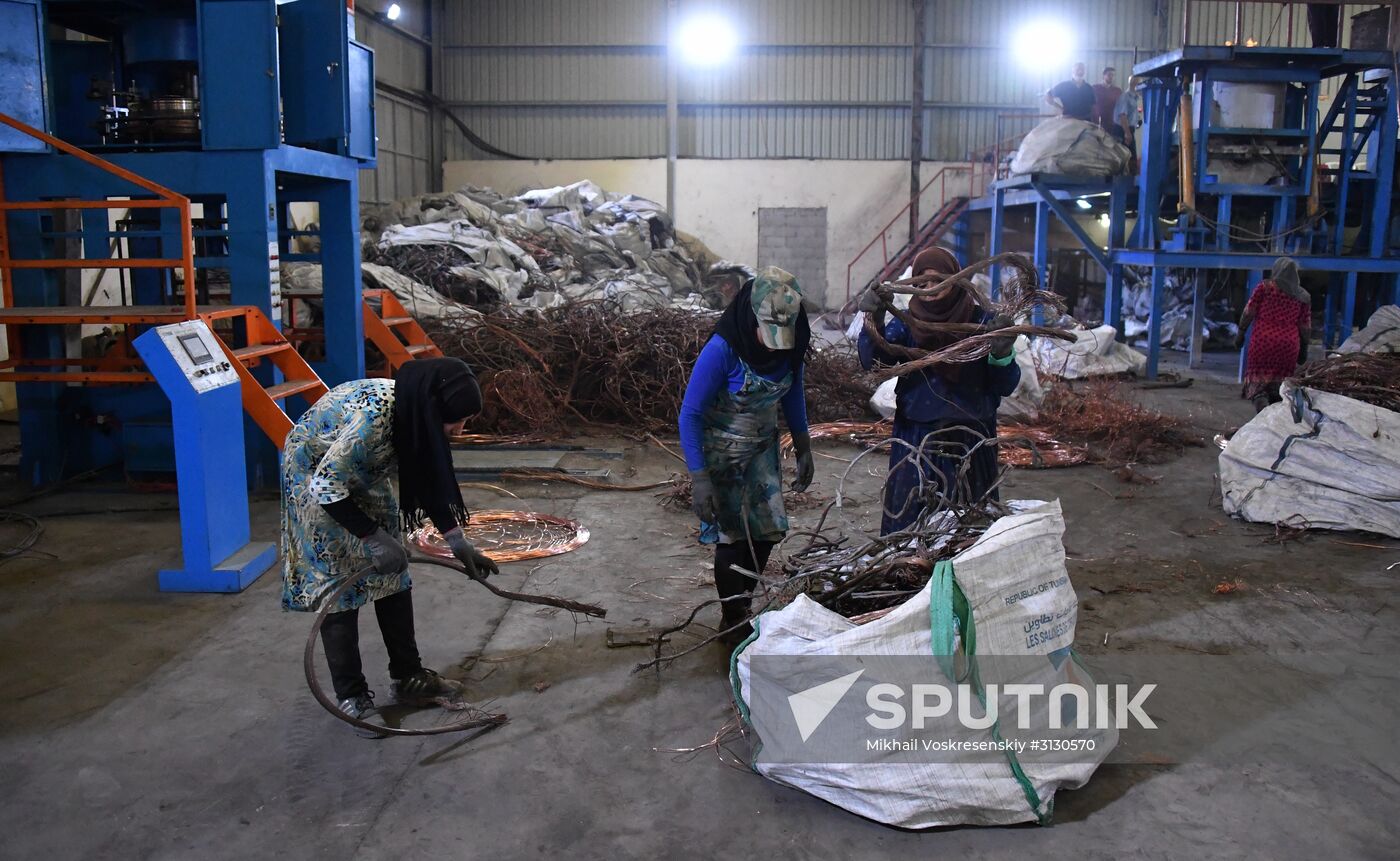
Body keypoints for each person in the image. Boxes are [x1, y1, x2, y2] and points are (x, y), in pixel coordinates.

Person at [281, 357, 500, 733]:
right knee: (340, 587)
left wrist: (457, 541)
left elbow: (428, 477)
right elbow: (326, 486)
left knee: (394, 575)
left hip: (362, 477)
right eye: (457, 421)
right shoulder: (372, 421)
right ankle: (351, 693)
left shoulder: (416, 413)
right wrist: (372, 536)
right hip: (314, 481)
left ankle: (409, 676)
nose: (460, 431)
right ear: (434, 409)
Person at [678, 267, 813, 643]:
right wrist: (699, 477)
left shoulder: (791, 346)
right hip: (722, 454)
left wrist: (803, 446)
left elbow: (793, 393)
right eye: (767, 333)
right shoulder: (722, 350)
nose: (773, 345)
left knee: (767, 532)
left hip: (762, 450)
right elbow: (690, 414)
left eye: (780, 336)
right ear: (750, 316)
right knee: (733, 538)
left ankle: (743, 604)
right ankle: (732, 619)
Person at [857, 247, 1019, 535]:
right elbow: (874, 362)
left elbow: (1004, 385)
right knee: (910, 534)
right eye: (921, 284)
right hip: (917, 444)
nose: (930, 290)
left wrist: (1002, 354)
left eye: (937, 281)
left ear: (956, 280)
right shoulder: (907, 323)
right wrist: (875, 321)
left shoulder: (982, 323)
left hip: (972, 444)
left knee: (967, 533)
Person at [1237, 257, 1312, 412]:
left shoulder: (1265, 288)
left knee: (1259, 385)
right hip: (1288, 346)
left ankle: (1261, 406)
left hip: (1263, 341)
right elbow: (1305, 326)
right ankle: (1273, 418)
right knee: (1280, 387)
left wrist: (1241, 332)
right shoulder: (1303, 296)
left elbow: (1249, 311)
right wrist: (1304, 348)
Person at [1092, 67, 1123, 137]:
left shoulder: (1117, 91)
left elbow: (1120, 107)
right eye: (1109, 75)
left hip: (1112, 123)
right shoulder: (1095, 88)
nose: (1111, 77)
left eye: (1113, 75)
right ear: (1104, 75)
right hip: (1097, 122)